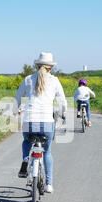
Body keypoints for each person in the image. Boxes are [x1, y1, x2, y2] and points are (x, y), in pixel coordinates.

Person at [14, 52, 67, 193]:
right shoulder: (54, 81)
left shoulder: (28, 79)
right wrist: (63, 113)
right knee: (47, 151)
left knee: (26, 141)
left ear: (37, 65)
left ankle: (25, 160)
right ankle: (49, 184)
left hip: (29, 121)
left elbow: (17, 98)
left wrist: (16, 110)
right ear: (50, 67)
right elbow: (62, 102)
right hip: (46, 123)